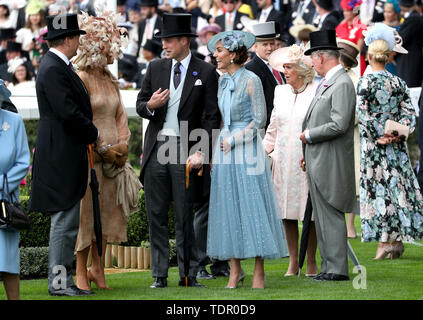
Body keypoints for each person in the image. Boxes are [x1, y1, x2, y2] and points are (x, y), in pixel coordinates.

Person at [136, 13, 221, 288]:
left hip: (186, 151)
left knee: (185, 215)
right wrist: (151, 104)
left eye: (170, 40)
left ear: (185, 41)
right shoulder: (155, 68)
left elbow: (211, 117)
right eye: (163, 40)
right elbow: (140, 105)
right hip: (157, 147)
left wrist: (201, 152)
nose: (165, 45)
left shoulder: (206, 72)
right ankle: (159, 275)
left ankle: (188, 275)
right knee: (156, 216)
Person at [206, 30, 289, 289]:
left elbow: (259, 120)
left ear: (232, 54)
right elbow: (220, 118)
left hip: (246, 148)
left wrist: (234, 139)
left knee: (253, 207)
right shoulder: (222, 81)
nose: (215, 55)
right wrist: (215, 149)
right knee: (228, 209)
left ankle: (259, 271)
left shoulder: (251, 79)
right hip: (224, 151)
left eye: (219, 51)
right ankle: (235, 270)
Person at [29, 13, 100, 296]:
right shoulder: (54, 69)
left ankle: (64, 280)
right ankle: (59, 282)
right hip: (60, 153)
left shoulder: (56, 66)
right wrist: (93, 133)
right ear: (69, 39)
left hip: (64, 152)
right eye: (77, 38)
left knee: (67, 222)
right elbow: (68, 112)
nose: (79, 43)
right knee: (64, 223)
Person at [71, 10, 133, 291]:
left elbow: (121, 117)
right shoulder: (80, 77)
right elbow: (80, 119)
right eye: (107, 40)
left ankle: (98, 268)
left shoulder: (110, 79)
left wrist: (121, 146)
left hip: (113, 161)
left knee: (107, 214)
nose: (111, 46)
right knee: (86, 215)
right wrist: (100, 149)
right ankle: (80, 271)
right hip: (89, 156)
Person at [357, 22, 423, 259]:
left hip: (374, 147)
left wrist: (378, 135)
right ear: (388, 56)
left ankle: (385, 242)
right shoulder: (399, 82)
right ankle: (394, 241)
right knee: (396, 189)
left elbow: (362, 114)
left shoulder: (365, 82)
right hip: (395, 146)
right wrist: (395, 134)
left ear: (369, 55)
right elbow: (409, 114)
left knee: (378, 192)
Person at [301, 29, 356, 281]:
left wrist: (309, 135)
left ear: (321, 57)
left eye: (313, 57)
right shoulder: (329, 82)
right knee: (322, 216)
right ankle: (328, 267)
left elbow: (339, 123)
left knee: (331, 215)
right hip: (319, 158)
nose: (312, 62)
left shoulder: (342, 83)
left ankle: (336, 269)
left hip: (330, 160)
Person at [264, 44, 318, 277]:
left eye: (289, 67)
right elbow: (272, 128)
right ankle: (293, 262)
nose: (285, 72)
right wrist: (263, 153)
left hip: (306, 158)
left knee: (310, 214)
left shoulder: (316, 91)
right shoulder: (280, 92)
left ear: (301, 70)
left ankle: (312, 261)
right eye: (283, 67)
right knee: (285, 212)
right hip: (283, 160)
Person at [0, 82, 30, 300]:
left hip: (5, 202)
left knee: (8, 260)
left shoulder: (14, 121)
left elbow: (22, 161)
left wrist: (1, 185)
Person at [337, 38, 361, 239]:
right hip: (334, 133)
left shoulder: (355, 79)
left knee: (352, 180)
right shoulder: (331, 76)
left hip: (350, 134)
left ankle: (350, 225)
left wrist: (341, 123)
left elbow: (357, 112)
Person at [245, 21, 284, 129]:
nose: (270, 48)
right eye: (265, 44)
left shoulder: (282, 64)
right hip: (267, 127)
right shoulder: (251, 69)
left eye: (272, 44)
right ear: (256, 46)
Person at [395, 0, 423, 88]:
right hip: (412, 56)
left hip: (409, 59)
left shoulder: (413, 18)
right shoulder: (415, 17)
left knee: (408, 86)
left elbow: (401, 39)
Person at [335, 0, 366, 75]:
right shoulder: (340, 26)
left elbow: (358, 50)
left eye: (348, 11)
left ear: (355, 11)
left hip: (355, 61)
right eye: (344, 11)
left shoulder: (361, 27)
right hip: (339, 61)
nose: (345, 13)